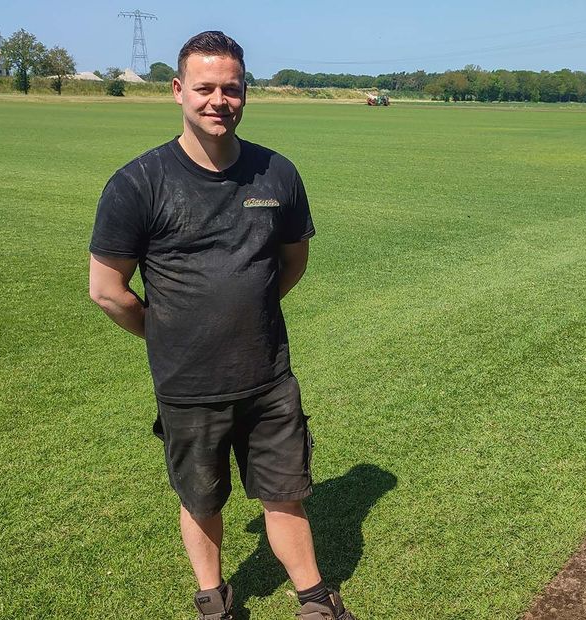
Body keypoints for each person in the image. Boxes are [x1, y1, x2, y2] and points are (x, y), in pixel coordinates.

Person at [88, 31, 354, 620]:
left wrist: (248, 311)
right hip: (188, 384)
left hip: (268, 376)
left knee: (285, 494)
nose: (218, 100)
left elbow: (292, 263)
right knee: (202, 497)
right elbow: (107, 291)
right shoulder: (137, 183)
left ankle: (314, 599)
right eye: (204, 87)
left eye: (230, 89)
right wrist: (171, 332)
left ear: (244, 94)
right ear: (178, 90)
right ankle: (214, 599)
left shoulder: (276, 173)